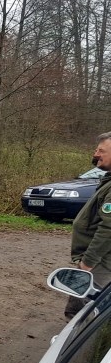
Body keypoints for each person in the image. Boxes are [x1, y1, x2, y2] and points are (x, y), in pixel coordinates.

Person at [65, 131, 111, 318]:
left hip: (100, 265)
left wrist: (87, 264)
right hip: (99, 262)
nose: (96, 154)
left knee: (81, 315)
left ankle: (74, 347)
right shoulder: (108, 180)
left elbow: (108, 229)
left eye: (101, 150)